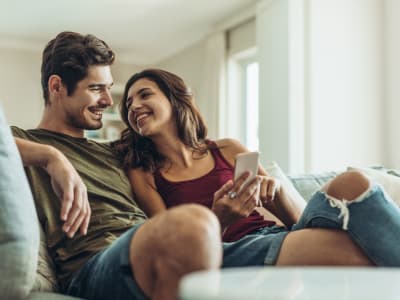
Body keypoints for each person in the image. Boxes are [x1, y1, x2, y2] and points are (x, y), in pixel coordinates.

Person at [113, 68, 400, 268]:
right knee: (359, 246)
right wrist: (219, 218)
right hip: (228, 249)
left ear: (175, 100)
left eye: (144, 95)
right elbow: (176, 249)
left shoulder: (227, 149)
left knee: (352, 181)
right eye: (128, 103)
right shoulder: (143, 172)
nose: (133, 106)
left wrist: (276, 194)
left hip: (277, 235)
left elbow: (297, 223)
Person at [11, 32, 223, 300]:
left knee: (293, 245)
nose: (109, 102)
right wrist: (51, 157)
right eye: (96, 88)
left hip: (148, 243)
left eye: (108, 88)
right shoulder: (23, 142)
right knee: (194, 222)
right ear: (57, 87)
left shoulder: (118, 153)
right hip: (94, 265)